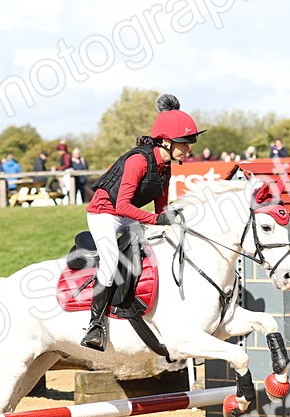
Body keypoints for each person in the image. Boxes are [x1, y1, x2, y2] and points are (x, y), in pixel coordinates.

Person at [80, 93, 205, 351]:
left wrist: (175, 223)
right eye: (184, 142)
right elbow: (122, 205)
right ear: (166, 142)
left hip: (125, 216)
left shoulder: (165, 167)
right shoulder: (139, 160)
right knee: (112, 259)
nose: (189, 148)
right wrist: (157, 219)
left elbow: (161, 208)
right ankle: (95, 325)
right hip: (104, 213)